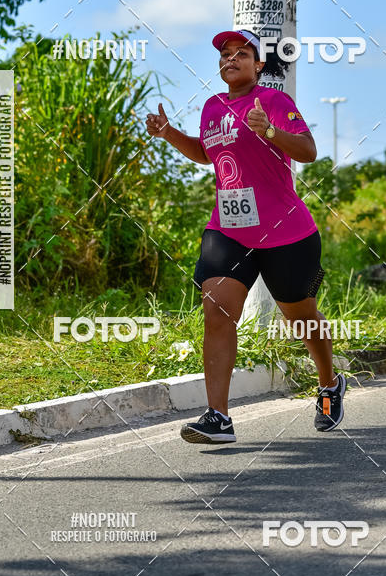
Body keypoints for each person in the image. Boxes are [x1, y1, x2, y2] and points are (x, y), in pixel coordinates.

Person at [145, 28, 346, 443]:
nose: (229, 59)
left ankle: (329, 385)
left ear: (258, 65)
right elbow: (206, 153)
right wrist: (169, 134)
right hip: (229, 228)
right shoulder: (212, 107)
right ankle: (218, 417)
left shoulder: (274, 101)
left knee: (301, 318)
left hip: (285, 231)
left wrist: (269, 131)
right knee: (216, 309)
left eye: (240, 53)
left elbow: (308, 151)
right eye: (224, 54)